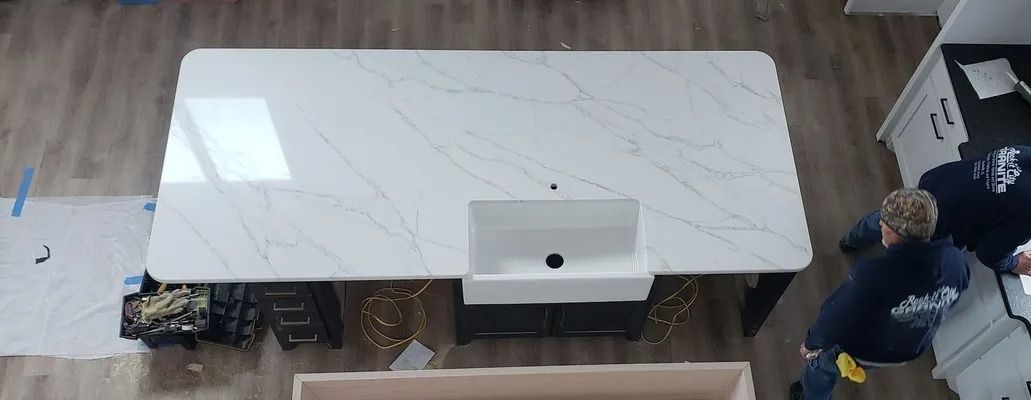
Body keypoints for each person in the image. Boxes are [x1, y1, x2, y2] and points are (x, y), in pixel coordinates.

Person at [790, 189, 969, 400]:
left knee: (820, 369)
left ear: (894, 232)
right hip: (907, 348)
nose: (881, 224)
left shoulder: (873, 275)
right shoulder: (956, 262)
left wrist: (812, 343)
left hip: (861, 349)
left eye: (884, 221)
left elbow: (835, 315)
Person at [840, 146, 1031, 275]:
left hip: (936, 184)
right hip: (939, 223)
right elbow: (990, 253)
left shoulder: (1024, 151)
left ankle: (850, 240)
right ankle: (881, 277)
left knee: (889, 218)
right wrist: (1014, 264)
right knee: (914, 258)